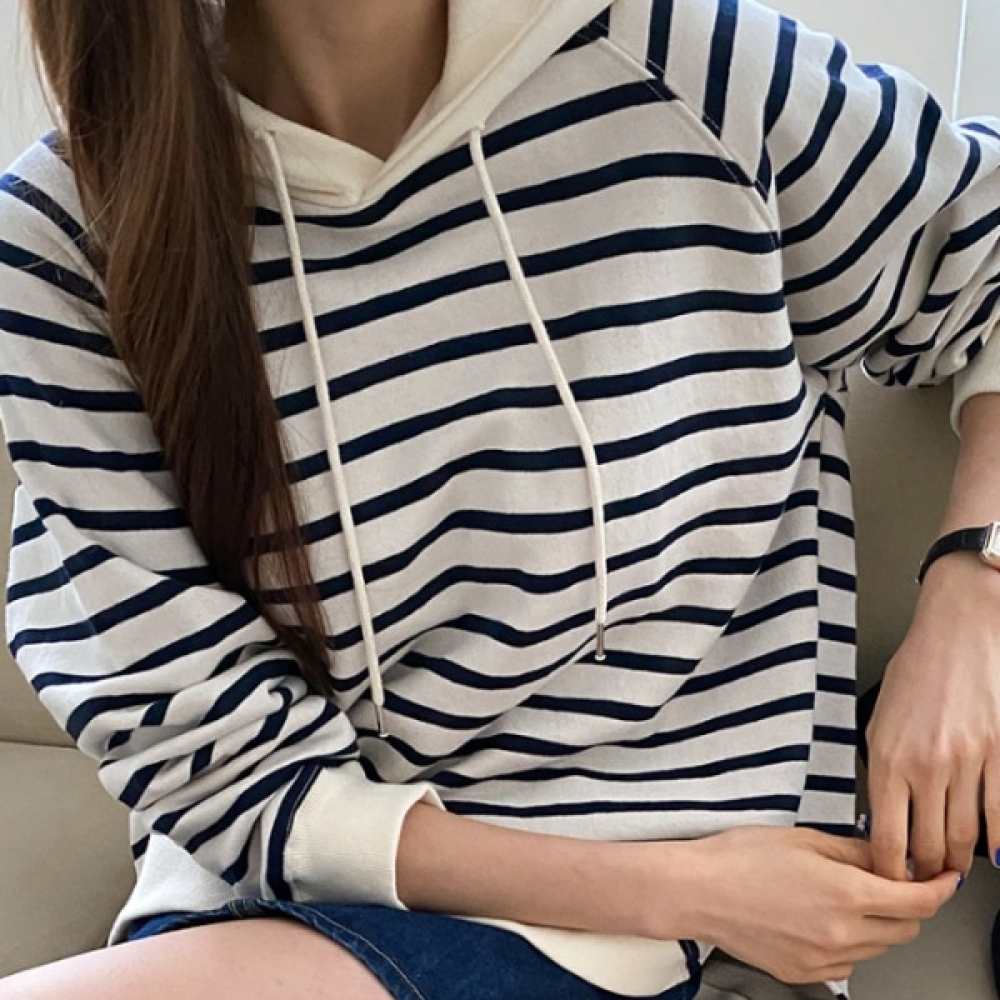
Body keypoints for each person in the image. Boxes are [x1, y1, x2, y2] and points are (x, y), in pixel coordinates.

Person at [0, 1, 999, 998]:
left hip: (653, 943)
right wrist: (691, 890)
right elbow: (222, 767)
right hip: (303, 900)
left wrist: (972, 591)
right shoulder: (68, 237)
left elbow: (984, 252)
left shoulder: (685, 74)